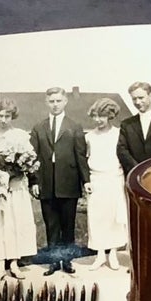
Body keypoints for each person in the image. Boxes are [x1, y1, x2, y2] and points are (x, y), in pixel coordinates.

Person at [30, 86, 88, 274]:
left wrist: (85, 180)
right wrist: (34, 182)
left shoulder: (75, 126)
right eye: (52, 101)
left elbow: (80, 156)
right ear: (47, 102)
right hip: (46, 183)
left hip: (68, 182)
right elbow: (33, 158)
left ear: (65, 102)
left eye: (58, 101)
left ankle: (67, 260)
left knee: (68, 225)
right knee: (51, 225)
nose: (55, 104)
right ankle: (54, 262)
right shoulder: (39, 127)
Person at [0, 98, 38, 280]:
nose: (3, 119)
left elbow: (28, 160)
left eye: (7, 115)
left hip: (16, 187)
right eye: (0, 115)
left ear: (13, 116)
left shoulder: (20, 135)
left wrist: (15, 173)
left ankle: (14, 263)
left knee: (15, 223)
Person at [82, 98, 128, 269]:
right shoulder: (89, 137)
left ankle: (113, 254)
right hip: (96, 179)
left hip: (114, 178)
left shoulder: (118, 134)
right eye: (95, 116)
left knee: (114, 217)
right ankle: (100, 255)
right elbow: (85, 159)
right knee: (97, 217)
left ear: (110, 116)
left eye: (102, 116)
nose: (98, 120)